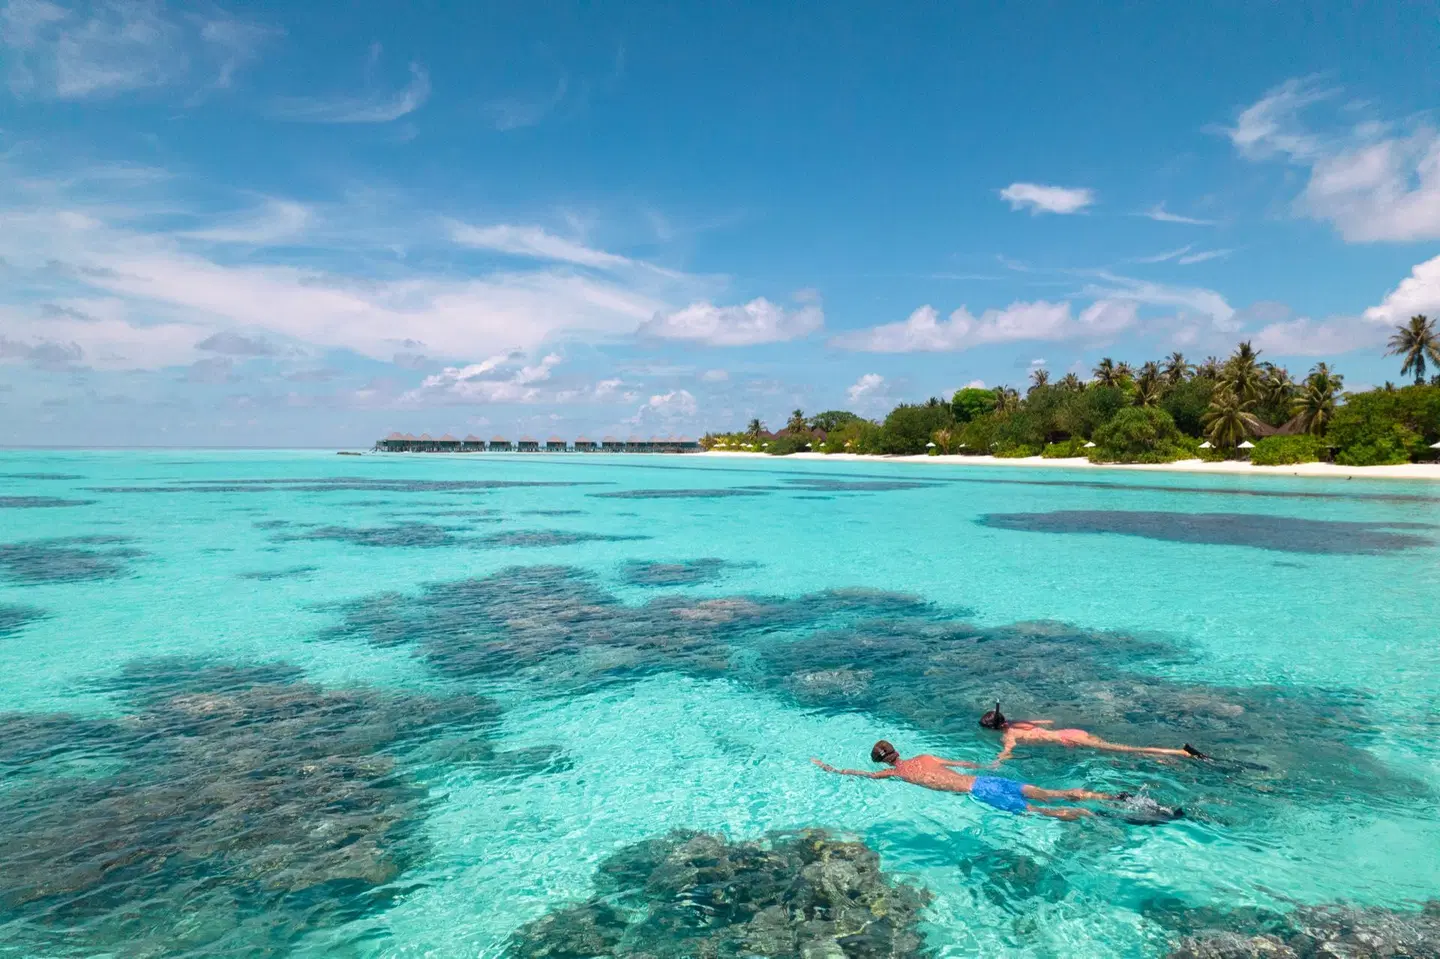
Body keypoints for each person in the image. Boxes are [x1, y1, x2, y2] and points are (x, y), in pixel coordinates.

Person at [811, 740, 1154, 821]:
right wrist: (993, 761)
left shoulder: (896, 773)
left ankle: (1103, 817)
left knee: (1043, 811)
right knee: (1055, 793)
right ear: (897, 749)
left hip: (979, 792)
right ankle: (1111, 798)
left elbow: (861, 775)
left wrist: (830, 769)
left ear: (881, 760)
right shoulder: (926, 757)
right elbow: (966, 761)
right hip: (986, 778)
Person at [977, 702, 1209, 765]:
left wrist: (996, 763)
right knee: (1118, 751)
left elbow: (1008, 752)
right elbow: (1040, 721)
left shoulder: (1010, 736)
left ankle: (1181, 753)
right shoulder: (1018, 724)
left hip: (1068, 738)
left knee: (1125, 749)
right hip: (1071, 732)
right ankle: (1163, 758)